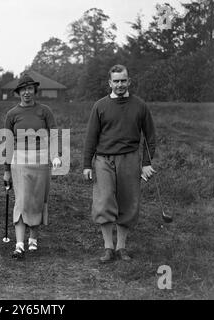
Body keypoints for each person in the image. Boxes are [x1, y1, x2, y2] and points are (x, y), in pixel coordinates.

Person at [82, 64, 156, 263]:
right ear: (110, 83)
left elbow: (150, 136)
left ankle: (121, 247)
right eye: (116, 81)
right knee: (104, 201)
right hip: (103, 160)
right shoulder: (100, 106)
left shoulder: (139, 105)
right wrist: (87, 165)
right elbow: (91, 137)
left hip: (130, 159)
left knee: (128, 202)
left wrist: (147, 163)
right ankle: (108, 248)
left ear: (129, 81)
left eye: (123, 80)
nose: (120, 84)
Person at [3, 74, 62, 260]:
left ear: (35, 91)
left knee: (37, 199)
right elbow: (8, 143)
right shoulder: (12, 114)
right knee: (21, 200)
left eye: (30, 89)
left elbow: (53, 135)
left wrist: (56, 155)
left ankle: (33, 238)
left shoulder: (45, 111)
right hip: (19, 160)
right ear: (18, 92)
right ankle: (19, 244)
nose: (26, 92)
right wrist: (6, 170)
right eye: (23, 89)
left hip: (41, 160)